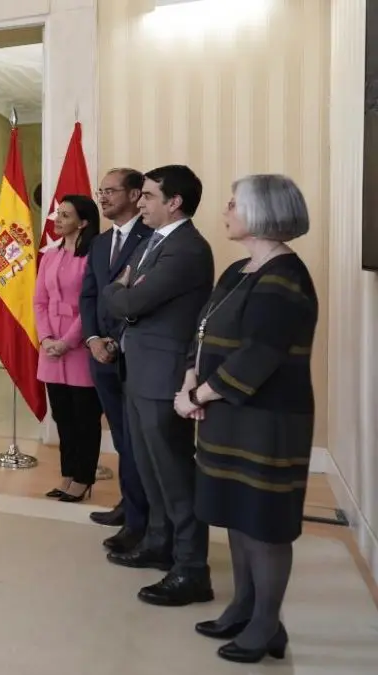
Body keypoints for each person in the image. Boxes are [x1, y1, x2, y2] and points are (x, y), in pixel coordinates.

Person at [173, 174, 317, 664]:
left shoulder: (286, 278)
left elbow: (261, 356)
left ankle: (266, 625)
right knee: (235, 513)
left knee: (264, 523)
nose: (226, 210)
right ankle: (242, 607)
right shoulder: (237, 271)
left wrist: (201, 394)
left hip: (267, 420)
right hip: (225, 412)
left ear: (262, 213)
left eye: (235, 203)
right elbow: (203, 331)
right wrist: (191, 381)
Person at [102, 164, 215, 606]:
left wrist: (124, 296)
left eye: (148, 196)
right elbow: (121, 292)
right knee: (149, 467)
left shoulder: (186, 248)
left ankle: (191, 569)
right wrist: (123, 295)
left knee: (174, 472)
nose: (140, 202)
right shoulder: (153, 241)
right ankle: (158, 542)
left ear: (175, 202)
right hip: (140, 369)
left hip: (164, 374)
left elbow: (130, 298)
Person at [79, 168, 153, 552]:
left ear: (136, 194)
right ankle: (130, 504)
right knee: (123, 438)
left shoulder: (153, 236)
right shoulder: (99, 243)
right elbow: (89, 296)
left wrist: (117, 340)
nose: (103, 198)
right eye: (100, 191)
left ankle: (144, 519)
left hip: (135, 355)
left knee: (141, 442)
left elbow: (147, 301)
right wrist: (93, 340)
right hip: (101, 355)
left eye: (111, 191)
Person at [34, 195, 103, 503]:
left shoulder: (95, 256)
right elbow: (39, 301)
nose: (57, 220)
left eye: (65, 215)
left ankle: (84, 478)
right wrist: (47, 338)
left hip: (80, 346)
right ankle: (67, 474)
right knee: (62, 416)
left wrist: (67, 341)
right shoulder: (49, 255)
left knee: (84, 419)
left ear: (84, 221)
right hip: (50, 348)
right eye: (57, 214)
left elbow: (94, 304)